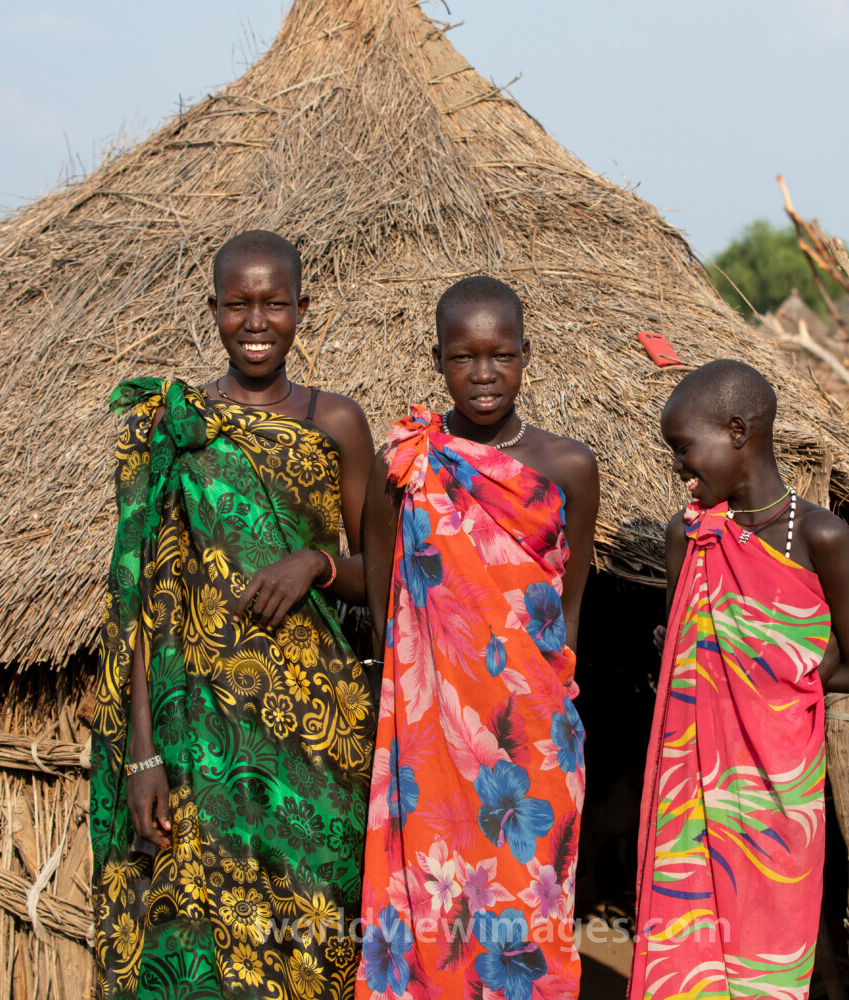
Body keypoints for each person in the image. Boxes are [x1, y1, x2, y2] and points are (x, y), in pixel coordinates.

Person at [90, 230, 377, 999]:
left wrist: (316, 563)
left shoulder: (337, 422)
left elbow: (386, 579)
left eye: (275, 304)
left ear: (302, 309)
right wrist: (143, 754)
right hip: (198, 736)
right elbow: (143, 601)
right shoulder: (173, 429)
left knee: (313, 945)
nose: (257, 322)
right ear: (212, 309)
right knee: (200, 945)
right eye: (239, 305)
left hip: (318, 740)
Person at [354, 276, 599, 1000]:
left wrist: (561, 708)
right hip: (430, 732)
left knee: (528, 912)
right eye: (464, 357)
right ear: (438, 359)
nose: (484, 374)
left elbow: (568, 599)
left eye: (500, 356)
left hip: (535, 734)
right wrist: (388, 669)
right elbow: (377, 565)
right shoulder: (409, 459)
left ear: (527, 355)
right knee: (431, 903)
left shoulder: (568, 465)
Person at [627, 359, 849, 1000]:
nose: (680, 468)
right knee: (685, 962)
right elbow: (686, 662)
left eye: (685, 450)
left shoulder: (822, 536)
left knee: (766, 968)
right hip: (691, 793)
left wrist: (770, 686)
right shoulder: (687, 536)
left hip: (778, 799)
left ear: (738, 431)